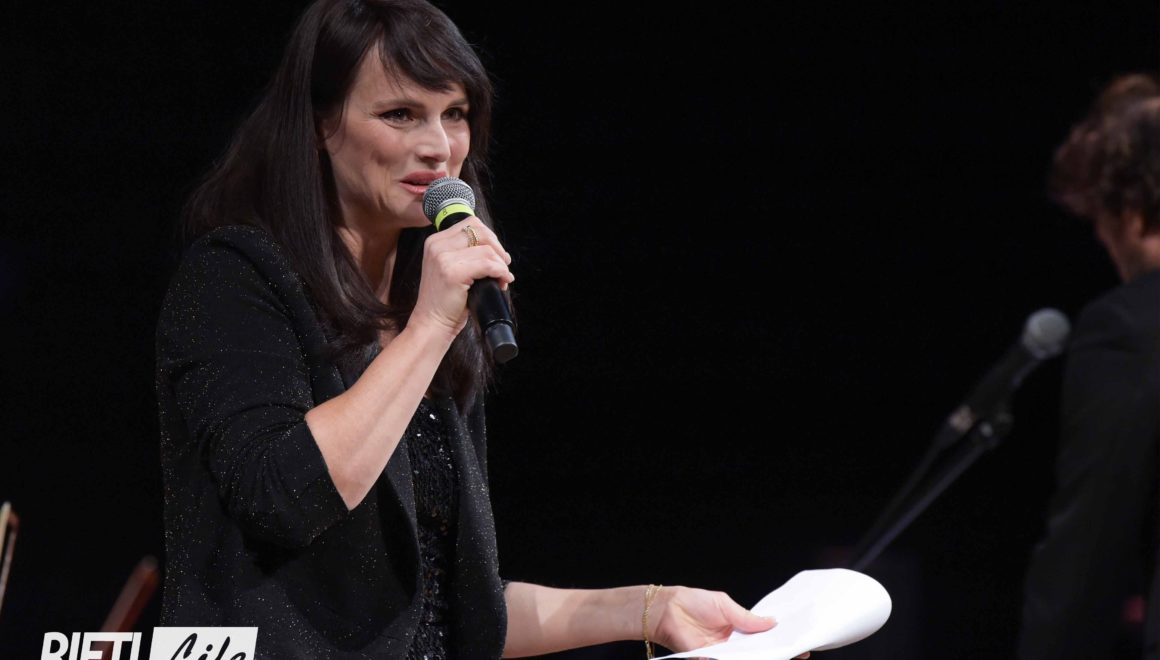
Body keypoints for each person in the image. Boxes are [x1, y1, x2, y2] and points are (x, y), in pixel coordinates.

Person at [155, 1, 803, 657]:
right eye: (400, 114)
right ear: (322, 123)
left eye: (455, 113)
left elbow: (458, 617)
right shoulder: (233, 277)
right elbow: (282, 498)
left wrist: (653, 609)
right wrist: (430, 326)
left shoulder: (426, 310)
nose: (439, 146)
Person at [1017, 73, 1160, 659]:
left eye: (1096, 215)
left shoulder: (1133, 326)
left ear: (1129, 201)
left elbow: (1085, 563)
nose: (1100, 237)